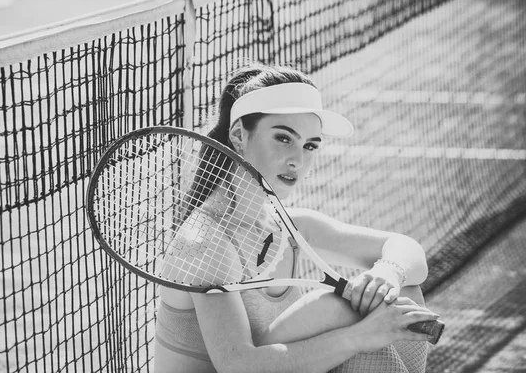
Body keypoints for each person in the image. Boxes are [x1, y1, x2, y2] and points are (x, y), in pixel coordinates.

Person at [154, 64, 439, 373]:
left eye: (310, 145)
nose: (298, 160)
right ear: (239, 134)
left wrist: (389, 273)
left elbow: (408, 252)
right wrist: (359, 337)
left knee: (401, 289)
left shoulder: (289, 226)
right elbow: (238, 366)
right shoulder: (203, 242)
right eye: (284, 138)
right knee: (334, 310)